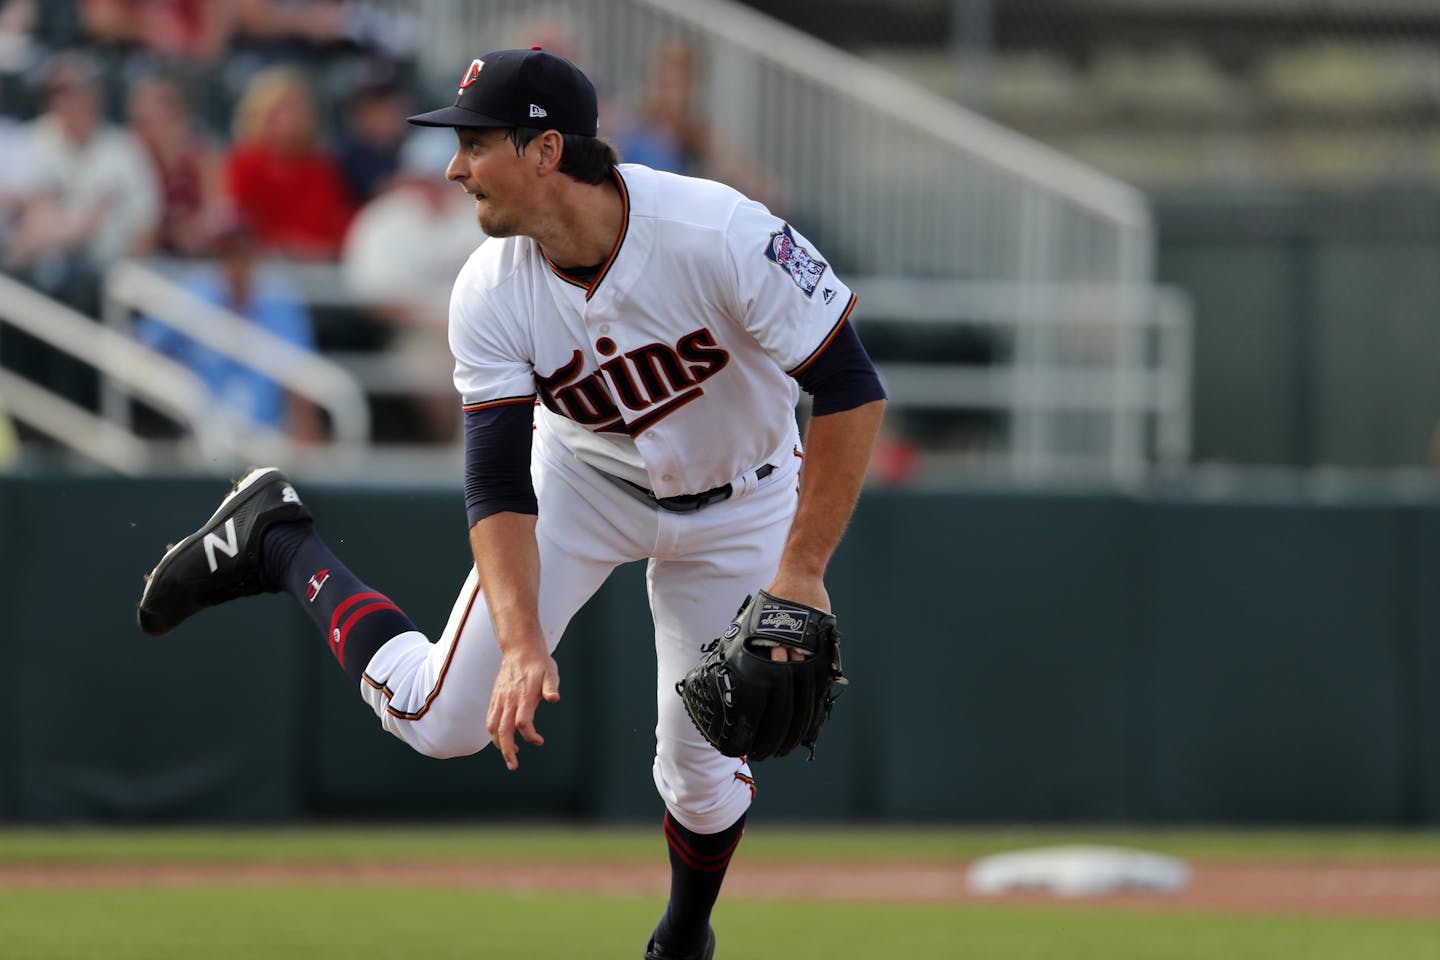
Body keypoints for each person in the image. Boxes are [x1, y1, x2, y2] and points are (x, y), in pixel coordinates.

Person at [136, 48, 885, 960]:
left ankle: (684, 938)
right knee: (438, 720)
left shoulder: (718, 231)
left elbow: (850, 382)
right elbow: (495, 481)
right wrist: (523, 637)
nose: (453, 167)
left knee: (700, 764)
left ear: (545, 149)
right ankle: (276, 538)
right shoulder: (489, 291)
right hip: (581, 481)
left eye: (475, 143)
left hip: (747, 498)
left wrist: (801, 568)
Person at [133, 221, 323, 443]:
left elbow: (299, 378)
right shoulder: (192, 295)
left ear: (255, 253)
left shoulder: (280, 299)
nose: (235, 263)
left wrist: (307, 440)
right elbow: (142, 346)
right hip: (201, 432)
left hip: (268, 436)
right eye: (226, 253)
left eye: (241, 252)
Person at [223, 64, 354, 259]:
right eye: (283, 110)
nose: (292, 119)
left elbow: (336, 226)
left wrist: (311, 249)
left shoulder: (322, 169)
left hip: (316, 269)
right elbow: (236, 223)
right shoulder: (244, 164)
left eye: (298, 110)